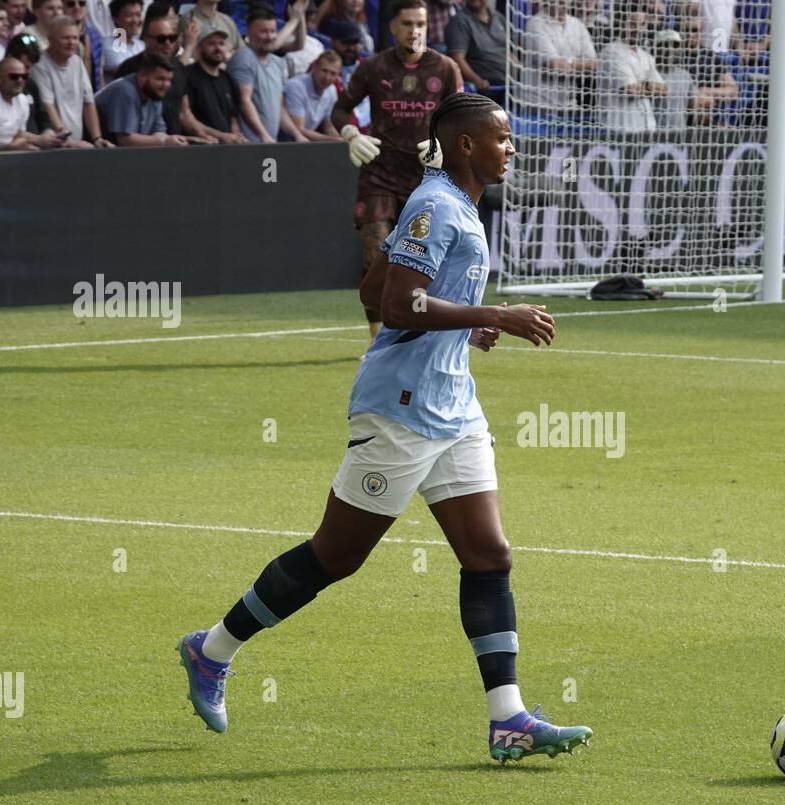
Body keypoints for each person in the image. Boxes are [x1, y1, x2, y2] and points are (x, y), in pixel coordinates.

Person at [176, 91, 593, 765]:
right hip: (399, 408)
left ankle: (508, 718)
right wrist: (496, 312)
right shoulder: (436, 206)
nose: (511, 147)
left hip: (452, 406)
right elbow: (396, 302)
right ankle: (212, 649)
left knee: (489, 554)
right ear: (466, 145)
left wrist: (469, 326)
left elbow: (377, 291)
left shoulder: (449, 204)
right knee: (335, 557)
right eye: (503, 138)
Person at [331, 0, 462, 341]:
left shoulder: (446, 68)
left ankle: (423, 333)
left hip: (428, 179)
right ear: (393, 27)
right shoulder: (373, 68)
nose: (415, 30)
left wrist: (442, 145)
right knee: (374, 257)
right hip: (379, 173)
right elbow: (340, 110)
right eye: (407, 23)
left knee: (426, 262)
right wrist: (350, 134)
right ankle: (377, 338)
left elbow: (461, 116)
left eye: (420, 23)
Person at [227, 5, 304, 142]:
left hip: (269, 143)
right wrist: (263, 135)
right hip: (246, 145)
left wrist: (296, 134)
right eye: (263, 32)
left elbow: (279, 108)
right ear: (249, 32)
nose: (270, 37)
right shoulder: (244, 57)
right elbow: (244, 101)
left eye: (273, 31)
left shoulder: (277, 62)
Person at [95, 47, 204, 142]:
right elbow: (125, 139)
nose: (166, 85)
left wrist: (178, 140)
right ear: (142, 76)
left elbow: (158, 133)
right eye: (160, 79)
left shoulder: (154, 94)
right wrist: (164, 142)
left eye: (169, 80)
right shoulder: (125, 91)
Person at [29, 14, 108, 143]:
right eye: (65, 38)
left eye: (75, 38)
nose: (71, 42)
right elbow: (47, 106)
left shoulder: (77, 61)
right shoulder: (40, 65)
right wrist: (68, 140)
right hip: (54, 142)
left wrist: (97, 138)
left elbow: (88, 102)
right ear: (50, 39)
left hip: (75, 140)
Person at [0, 53, 65, 146]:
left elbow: (17, 133)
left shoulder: (22, 101)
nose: (20, 80)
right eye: (14, 77)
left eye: (24, 76)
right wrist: (9, 148)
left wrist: (41, 139)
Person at [599, 1, 666, 133]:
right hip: (619, 130)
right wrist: (650, 86)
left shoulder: (646, 55)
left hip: (647, 128)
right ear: (621, 24)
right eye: (632, 24)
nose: (637, 29)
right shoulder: (611, 52)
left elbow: (664, 91)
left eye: (641, 25)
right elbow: (631, 90)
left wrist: (643, 86)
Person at [181, 26, 246, 142]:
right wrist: (220, 136)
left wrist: (236, 134)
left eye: (221, 44)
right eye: (212, 44)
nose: (218, 48)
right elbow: (186, 116)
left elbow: (233, 115)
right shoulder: (188, 75)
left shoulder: (228, 78)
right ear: (199, 48)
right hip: (199, 147)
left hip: (226, 148)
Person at [444, 0, 505, 104]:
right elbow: (457, 59)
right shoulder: (459, 21)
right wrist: (477, 81)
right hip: (486, 91)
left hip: (510, 88)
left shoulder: (499, 17)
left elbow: (509, 51)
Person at [283, 48, 341, 137]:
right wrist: (335, 141)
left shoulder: (331, 90)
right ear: (314, 67)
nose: (327, 77)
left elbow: (329, 127)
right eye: (324, 71)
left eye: (333, 73)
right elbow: (299, 129)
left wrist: (344, 143)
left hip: (305, 142)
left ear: (338, 75)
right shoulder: (296, 86)